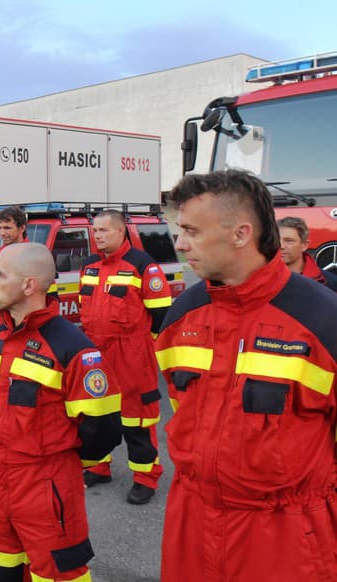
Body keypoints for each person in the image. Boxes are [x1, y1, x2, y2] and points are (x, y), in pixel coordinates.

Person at [156, 170, 337, 581]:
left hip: (287, 539)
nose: (180, 244)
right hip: (192, 526)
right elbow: (182, 412)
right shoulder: (181, 316)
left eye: (191, 231)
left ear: (240, 234)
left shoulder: (322, 319)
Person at [0, 242, 122, 581]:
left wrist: (62, 467)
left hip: (47, 486)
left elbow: (102, 429)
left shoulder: (72, 347)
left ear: (29, 285)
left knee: (60, 574)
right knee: (0, 568)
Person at [78, 209, 172, 504]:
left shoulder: (142, 266)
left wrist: (146, 349)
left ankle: (145, 477)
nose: (97, 235)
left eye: (103, 230)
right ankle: (98, 466)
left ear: (121, 232)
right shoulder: (89, 266)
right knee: (95, 415)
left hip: (131, 354)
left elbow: (161, 313)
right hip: (96, 353)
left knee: (137, 420)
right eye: (95, 230)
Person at [278, 216, 337, 291]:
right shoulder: (262, 279)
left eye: (289, 241)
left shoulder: (330, 283)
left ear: (304, 245)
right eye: (276, 240)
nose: (281, 246)